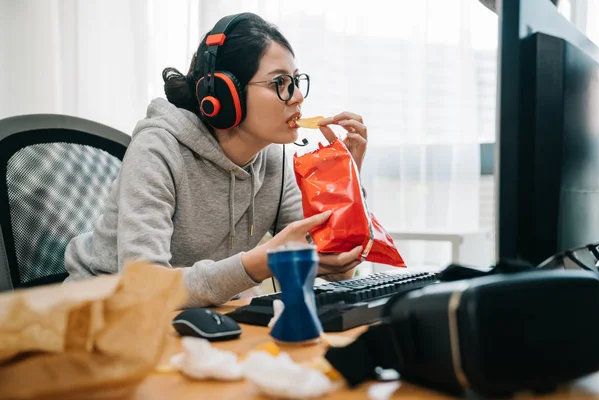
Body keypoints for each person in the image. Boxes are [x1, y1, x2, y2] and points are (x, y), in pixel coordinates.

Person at [64, 12, 370, 307]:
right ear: (225, 95)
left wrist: (346, 185)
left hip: (197, 320)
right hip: (99, 320)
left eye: (296, 80)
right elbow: (145, 288)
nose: (297, 96)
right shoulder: (158, 149)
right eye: (279, 83)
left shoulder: (273, 161)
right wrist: (257, 264)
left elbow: (335, 267)